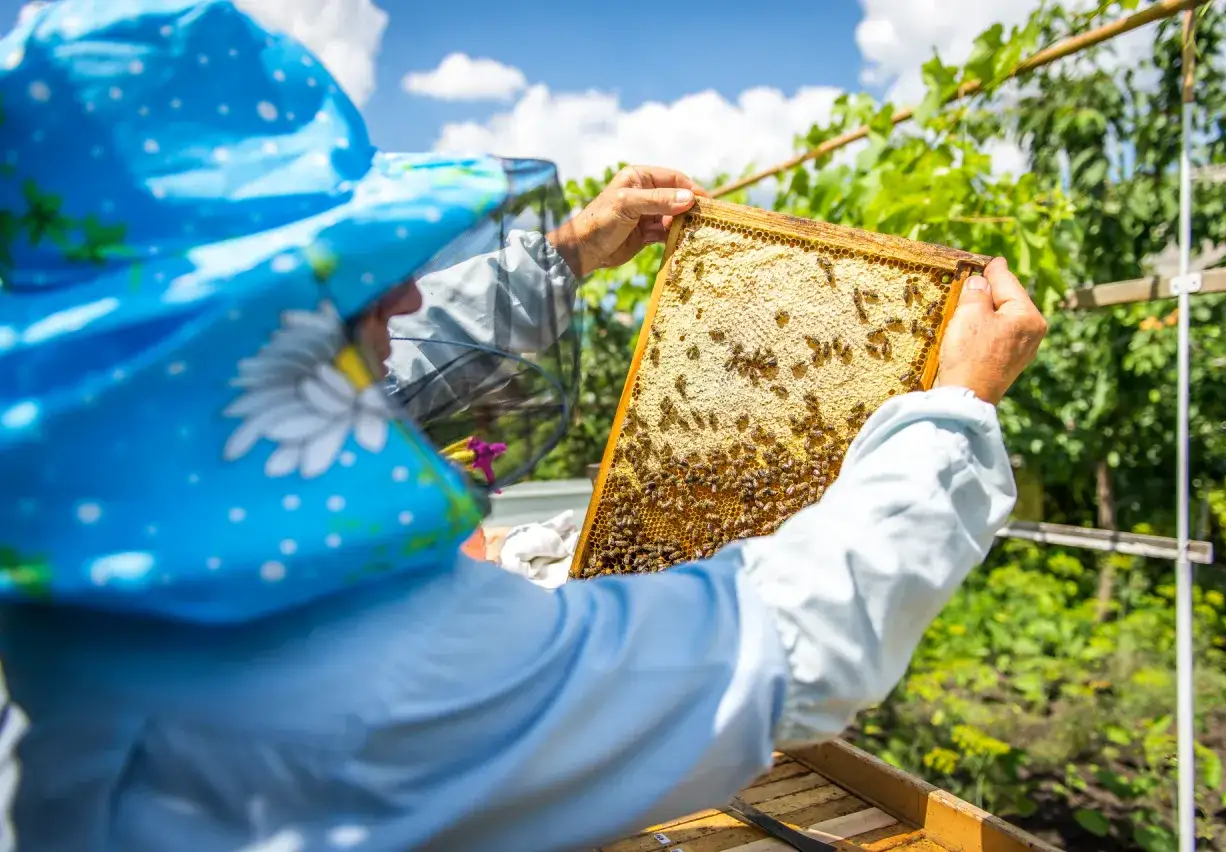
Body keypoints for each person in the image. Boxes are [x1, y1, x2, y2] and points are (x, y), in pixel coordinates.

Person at [0, 2, 1047, 851]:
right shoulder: (375, 680)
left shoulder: (94, 490)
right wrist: (945, 417)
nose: (401, 297)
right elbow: (784, 649)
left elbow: (370, 370)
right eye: (349, 276)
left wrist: (565, 256)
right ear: (229, 319)